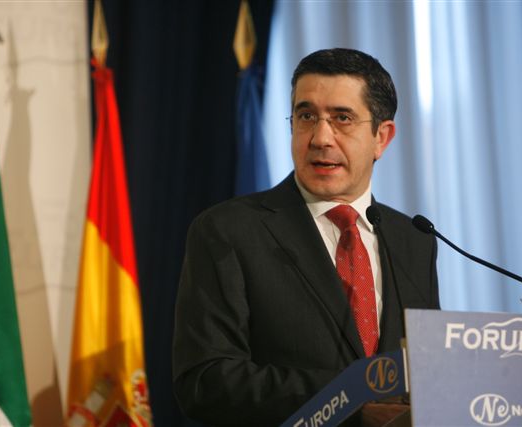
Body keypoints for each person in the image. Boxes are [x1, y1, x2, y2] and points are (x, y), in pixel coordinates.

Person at [172, 48, 440, 426]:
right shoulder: (229, 231)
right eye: (306, 116)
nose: (320, 137)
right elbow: (206, 381)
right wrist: (351, 399)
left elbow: (426, 372)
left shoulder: (414, 240)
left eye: (342, 118)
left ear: (382, 137)